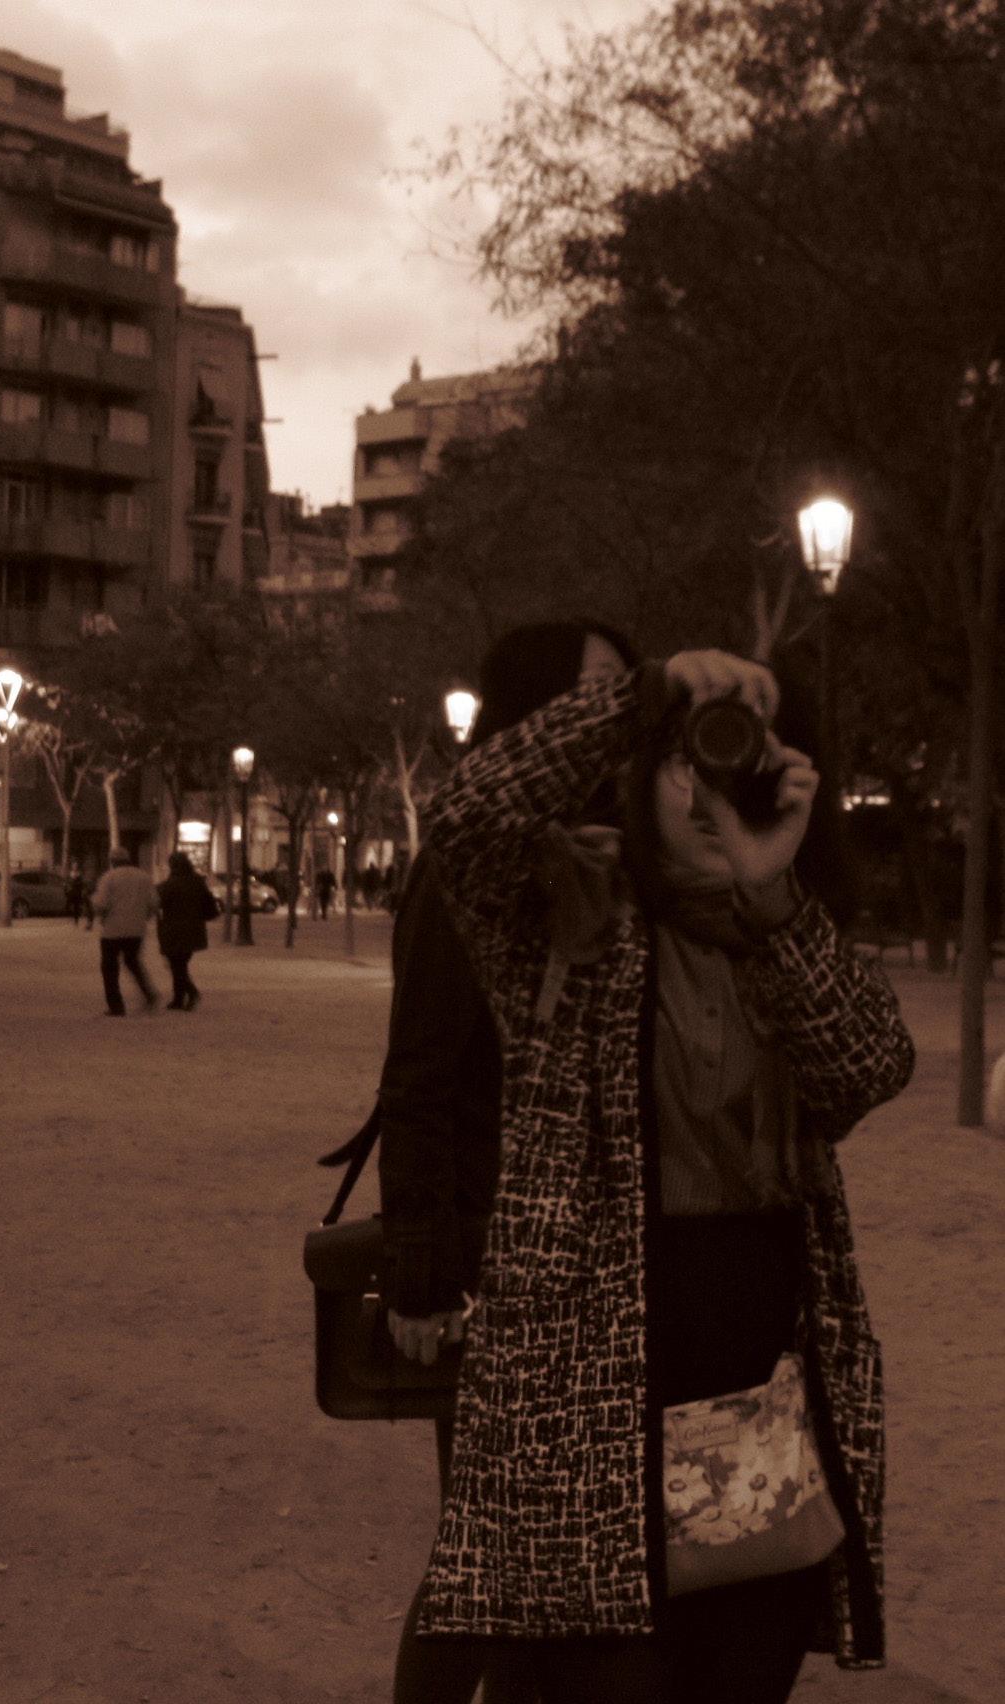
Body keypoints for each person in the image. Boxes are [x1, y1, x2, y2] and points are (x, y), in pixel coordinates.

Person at [390, 648, 915, 1704]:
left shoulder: (784, 934)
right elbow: (465, 816)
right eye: (688, 757)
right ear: (639, 772)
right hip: (594, 1421)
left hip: (759, 1417)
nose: (713, 784)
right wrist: (646, 690)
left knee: (741, 1674)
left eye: (747, 758)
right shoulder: (563, 919)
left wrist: (772, 891)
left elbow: (868, 1068)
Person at [381, 622, 636, 1704]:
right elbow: (420, 1076)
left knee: (553, 1560)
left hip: (596, 1265)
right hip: (497, 1258)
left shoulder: (610, 851)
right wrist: (423, 1275)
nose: (615, 714)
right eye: (596, 693)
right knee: (489, 1551)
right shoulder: (471, 868)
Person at [90, 847, 159, 1017]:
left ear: (112, 861)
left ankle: (116, 1006)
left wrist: (97, 910)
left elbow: (100, 904)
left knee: (110, 968)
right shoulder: (143, 877)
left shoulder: (109, 878)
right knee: (133, 962)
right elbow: (154, 902)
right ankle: (149, 994)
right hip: (136, 930)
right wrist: (145, 916)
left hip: (112, 930)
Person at [156, 852, 218, 1011]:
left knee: (176, 965)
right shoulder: (197, 882)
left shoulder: (168, 885)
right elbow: (209, 905)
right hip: (193, 929)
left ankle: (191, 993)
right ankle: (178, 998)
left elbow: (159, 903)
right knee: (180, 963)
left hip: (173, 929)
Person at [65, 861, 89, 927]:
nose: (74, 867)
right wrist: (67, 887)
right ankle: (70, 916)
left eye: (76, 866)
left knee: (76, 906)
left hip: (77, 892)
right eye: (73, 865)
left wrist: (79, 886)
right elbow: (67, 882)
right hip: (71, 891)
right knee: (68, 904)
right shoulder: (70, 874)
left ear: (77, 867)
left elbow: (82, 883)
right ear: (72, 866)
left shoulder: (79, 874)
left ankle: (76, 920)